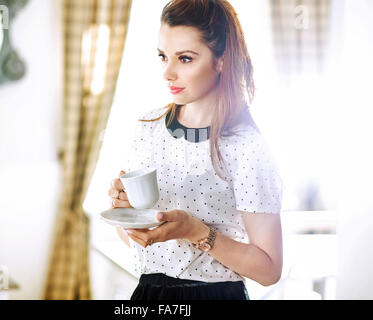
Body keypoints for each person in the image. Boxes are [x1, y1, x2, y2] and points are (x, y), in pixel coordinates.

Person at [107, 0, 283, 300]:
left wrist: (194, 231)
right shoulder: (147, 128)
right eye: (163, 56)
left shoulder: (246, 147)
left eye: (185, 59)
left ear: (221, 60)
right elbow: (137, 242)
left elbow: (269, 271)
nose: (167, 72)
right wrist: (124, 213)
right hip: (149, 295)